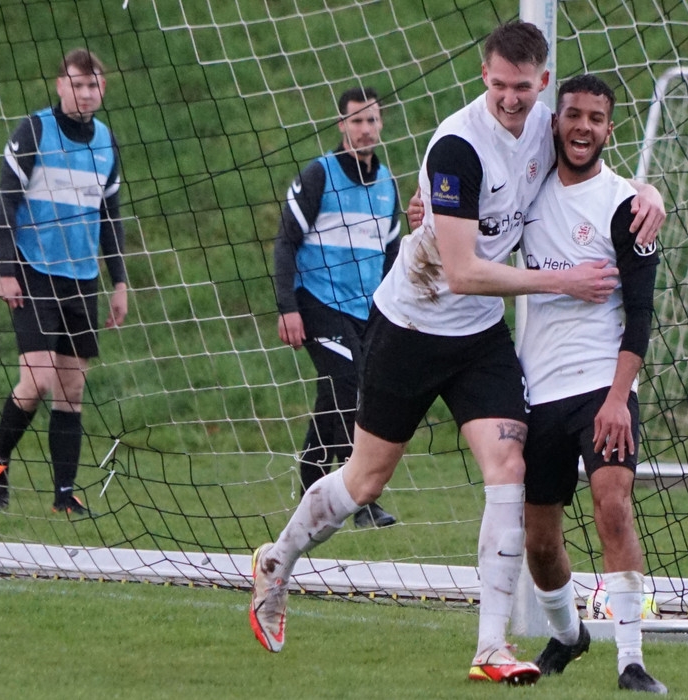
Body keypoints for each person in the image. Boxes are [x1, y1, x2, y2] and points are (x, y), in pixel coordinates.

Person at [249, 21, 664, 684]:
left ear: (543, 82)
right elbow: (464, 272)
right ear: (483, 78)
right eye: (499, 86)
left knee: (508, 466)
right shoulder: (457, 147)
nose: (511, 99)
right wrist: (560, 280)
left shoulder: (547, 124)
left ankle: (491, 647)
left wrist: (649, 193)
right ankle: (278, 561)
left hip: (478, 338)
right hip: (411, 325)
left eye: (522, 87)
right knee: (365, 480)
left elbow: (593, 166)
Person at [518, 74, 667, 694]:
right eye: (573, 115)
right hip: (537, 390)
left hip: (603, 385)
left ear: (610, 129)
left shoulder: (627, 206)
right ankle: (568, 633)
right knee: (539, 541)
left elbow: (641, 313)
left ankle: (630, 660)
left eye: (596, 118)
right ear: (556, 121)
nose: (583, 127)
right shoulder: (526, 190)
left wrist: (617, 399)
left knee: (613, 505)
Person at [0, 48, 128, 516]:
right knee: (39, 380)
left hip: (82, 279)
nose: (85, 93)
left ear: (102, 89)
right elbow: (6, 202)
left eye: (92, 85)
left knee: (71, 390)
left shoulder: (106, 142)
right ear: (60, 86)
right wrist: (6, 270)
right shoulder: (35, 131)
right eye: (76, 84)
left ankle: (64, 495)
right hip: (33, 271)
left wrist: (119, 283)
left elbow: (110, 217)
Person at [273, 87, 400, 530]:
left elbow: (391, 257)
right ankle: (359, 499)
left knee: (340, 395)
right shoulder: (319, 175)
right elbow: (286, 242)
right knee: (348, 385)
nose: (365, 129)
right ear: (342, 125)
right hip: (317, 302)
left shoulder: (387, 184)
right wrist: (287, 306)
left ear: (381, 124)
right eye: (357, 120)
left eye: (372, 120)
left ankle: (312, 485)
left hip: (365, 312)